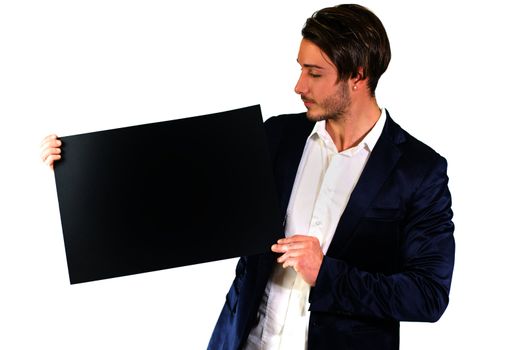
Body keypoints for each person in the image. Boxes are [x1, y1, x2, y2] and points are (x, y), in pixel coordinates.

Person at [41, 4, 455, 350]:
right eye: (300, 68)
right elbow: (175, 185)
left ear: (358, 76)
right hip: (242, 340)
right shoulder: (277, 136)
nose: (298, 85)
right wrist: (77, 163)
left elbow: (428, 296)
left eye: (314, 74)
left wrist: (325, 273)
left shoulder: (420, 171)